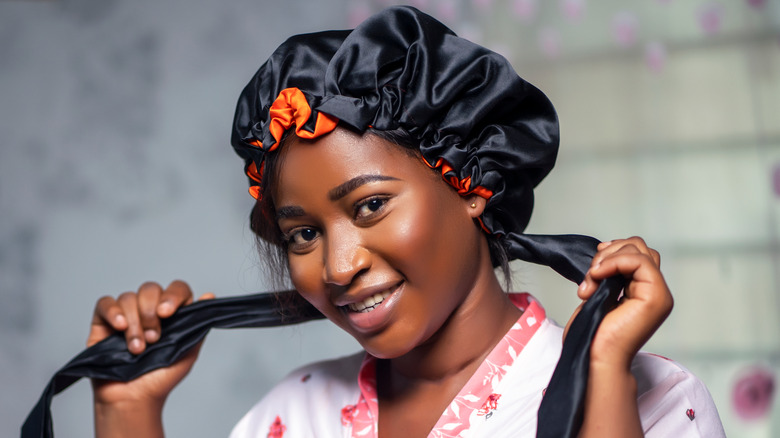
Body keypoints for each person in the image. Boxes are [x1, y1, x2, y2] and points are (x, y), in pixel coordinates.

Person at [85, 6, 724, 438]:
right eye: (303, 233)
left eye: (370, 206)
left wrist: (605, 370)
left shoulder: (652, 398)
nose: (339, 266)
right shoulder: (295, 413)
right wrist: (128, 408)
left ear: (469, 184)